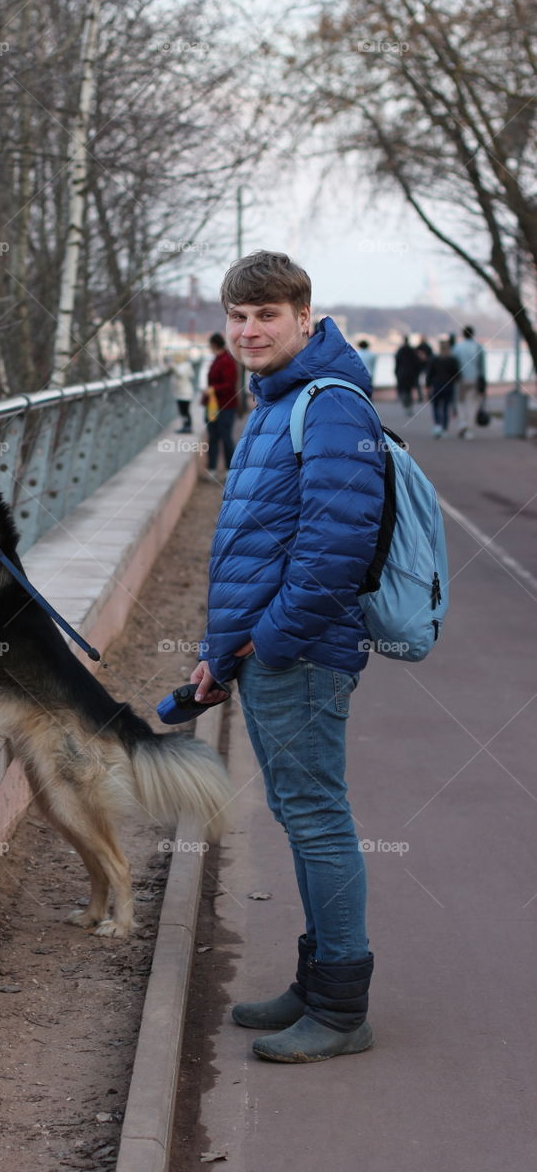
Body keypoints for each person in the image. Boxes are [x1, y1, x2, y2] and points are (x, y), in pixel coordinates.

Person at [190, 250, 385, 1064]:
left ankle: (341, 1011)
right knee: (303, 818)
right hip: (268, 651)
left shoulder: (327, 405)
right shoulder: (274, 400)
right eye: (238, 316)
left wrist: (264, 642)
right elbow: (252, 546)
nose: (249, 329)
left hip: (300, 652)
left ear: (305, 319)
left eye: (267, 315)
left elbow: (335, 548)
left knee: (317, 819)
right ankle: (316, 985)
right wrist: (216, 654)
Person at [202, 331, 239, 475]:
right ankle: (212, 468)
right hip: (214, 405)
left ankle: (231, 470)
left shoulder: (226, 361)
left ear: (213, 345)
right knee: (213, 437)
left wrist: (212, 389)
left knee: (225, 437)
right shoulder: (220, 359)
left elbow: (229, 385)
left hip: (225, 405)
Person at [451, 325, 486, 440]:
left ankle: (463, 423)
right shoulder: (478, 347)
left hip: (460, 380)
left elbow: (453, 364)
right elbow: (482, 367)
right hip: (475, 379)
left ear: (463, 334)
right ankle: (469, 429)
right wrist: (483, 383)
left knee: (460, 403)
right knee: (473, 404)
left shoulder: (457, 347)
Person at [426, 338, 459, 437]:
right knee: (445, 407)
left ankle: (437, 426)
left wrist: (427, 385)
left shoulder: (435, 359)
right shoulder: (452, 360)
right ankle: (444, 429)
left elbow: (430, 373)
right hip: (448, 386)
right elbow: (456, 374)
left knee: (436, 407)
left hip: (437, 385)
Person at [170, 350, 196, 432]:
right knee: (184, 411)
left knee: (185, 411)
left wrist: (173, 367)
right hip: (181, 392)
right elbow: (192, 375)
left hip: (184, 393)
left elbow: (180, 374)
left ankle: (187, 427)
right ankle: (186, 426)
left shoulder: (183, 366)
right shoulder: (186, 365)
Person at [393, 334, 421, 409]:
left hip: (402, 372)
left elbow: (397, 362)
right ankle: (409, 404)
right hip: (411, 373)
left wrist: (396, 372)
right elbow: (416, 362)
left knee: (404, 389)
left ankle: (406, 403)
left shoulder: (400, 351)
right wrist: (416, 372)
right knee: (409, 389)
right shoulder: (412, 350)